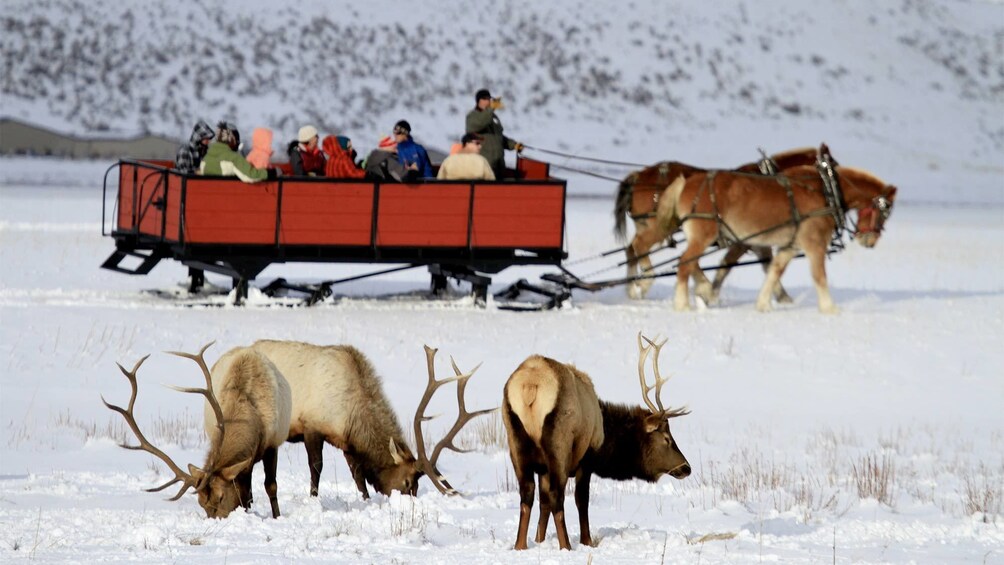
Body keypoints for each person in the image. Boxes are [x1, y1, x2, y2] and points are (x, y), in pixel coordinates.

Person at [465, 88, 524, 178]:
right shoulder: (472, 116)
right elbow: (480, 123)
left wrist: (513, 145)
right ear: (478, 101)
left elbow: (498, 137)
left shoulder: (492, 117)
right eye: (484, 99)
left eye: (489, 98)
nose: (488, 101)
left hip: (499, 166)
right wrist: (491, 109)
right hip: (483, 166)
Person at [199, 122, 279, 183]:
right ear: (231, 139)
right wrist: (271, 173)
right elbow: (250, 175)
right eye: (236, 139)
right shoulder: (233, 158)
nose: (237, 143)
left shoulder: (206, 158)